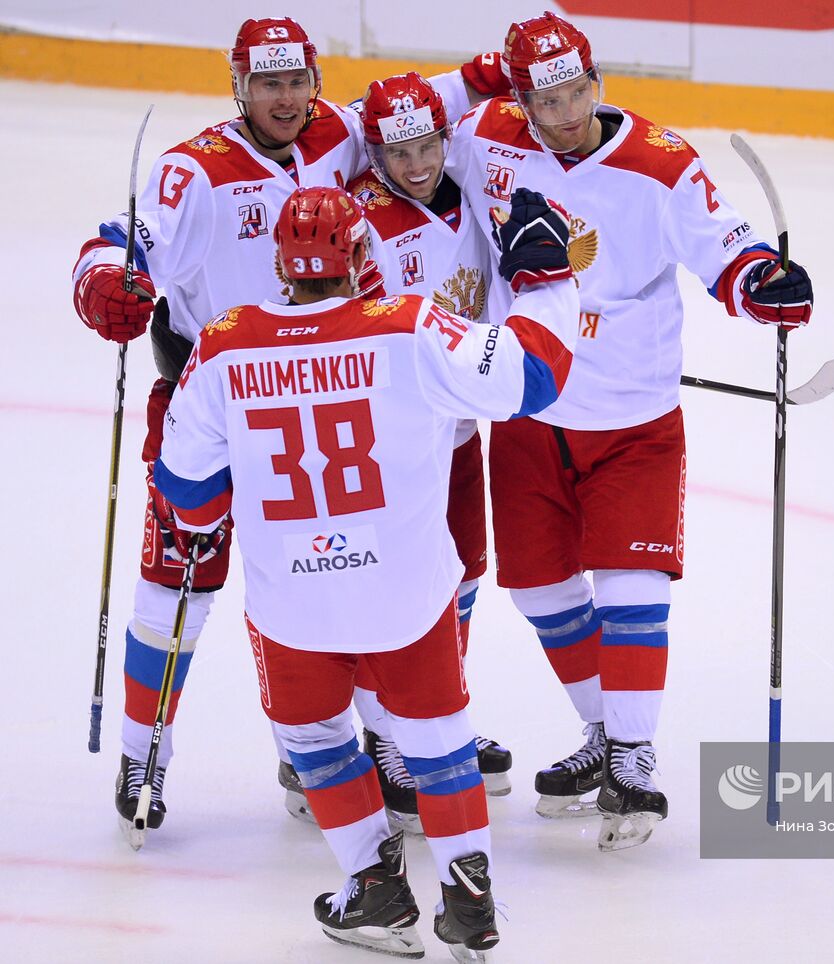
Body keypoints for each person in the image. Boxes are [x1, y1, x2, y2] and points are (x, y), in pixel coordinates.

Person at [70, 16, 501, 839]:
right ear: (239, 85)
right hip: (216, 397)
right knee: (178, 585)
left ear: (314, 79)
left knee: (334, 584)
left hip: (323, 404)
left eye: (297, 80)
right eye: (268, 84)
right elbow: (120, 246)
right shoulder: (191, 171)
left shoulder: (340, 129)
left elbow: (426, 105)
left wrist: (489, 70)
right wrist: (103, 284)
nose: (285, 99)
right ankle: (143, 752)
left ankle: (340, 750)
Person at [153, 184, 577, 958]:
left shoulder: (223, 343)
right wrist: (548, 282)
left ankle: (373, 888)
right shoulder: (409, 327)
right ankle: (468, 897)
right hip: (404, 596)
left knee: (314, 738)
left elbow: (187, 499)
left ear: (280, 266)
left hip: (293, 608)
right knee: (439, 739)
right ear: (359, 255)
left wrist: (196, 403)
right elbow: (535, 378)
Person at [442, 11, 815, 850]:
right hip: (530, 404)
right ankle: (607, 735)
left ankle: (635, 759)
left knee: (629, 585)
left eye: (580, 91)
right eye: (548, 98)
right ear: (519, 96)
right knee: (538, 587)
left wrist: (764, 284)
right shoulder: (486, 134)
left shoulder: (660, 160)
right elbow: (408, 158)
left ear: (597, 81)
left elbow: (727, 245)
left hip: (633, 416)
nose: (567, 112)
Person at [345, 71, 522, 828]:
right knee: (392, 583)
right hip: (391, 440)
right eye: (397, 151)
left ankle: (436, 714)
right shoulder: (359, 218)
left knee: (462, 572)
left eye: (427, 147)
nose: (416, 164)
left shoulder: (475, 192)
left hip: (457, 427)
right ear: (374, 150)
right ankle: (384, 734)